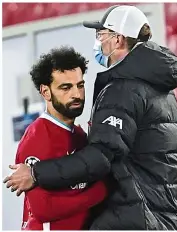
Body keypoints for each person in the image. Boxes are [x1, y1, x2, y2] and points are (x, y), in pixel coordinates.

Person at [4, 5, 177, 230]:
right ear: (45, 91)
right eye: (66, 87)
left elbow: (101, 157)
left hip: (134, 217)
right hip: (165, 216)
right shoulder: (162, 90)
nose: (98, 41)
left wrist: (36, 173)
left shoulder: (123, 89)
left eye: (101, 34)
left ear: (117, 40)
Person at [8, 46, 108, 230]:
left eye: (80, 85)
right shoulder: (37, 136)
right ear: (46, 92)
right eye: (65, 87)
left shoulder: (79, 135)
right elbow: (43, 209)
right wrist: (100, 193)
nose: (76, 94)